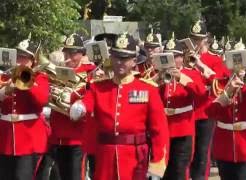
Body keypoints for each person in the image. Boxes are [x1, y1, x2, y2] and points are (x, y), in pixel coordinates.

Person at [70, 32, 169, 180]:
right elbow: (88, 102)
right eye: (116, 57)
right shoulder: (98, 87)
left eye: (124, 58)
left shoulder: (148, 89)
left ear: (134, 61)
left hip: (135, 159)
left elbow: (159, 129)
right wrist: (80, 106)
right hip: (105, 158)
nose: (119, 62)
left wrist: (157, 163)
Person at [0, 37, 50, 180]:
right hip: (5, 140)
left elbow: (41, 100)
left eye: (24, 57)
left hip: (29, 140)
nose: (19, 60)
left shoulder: (40, 78)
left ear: (32, 61)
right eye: (18, 56)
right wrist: (5, 91)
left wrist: (26, 79)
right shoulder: (5, 75)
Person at [48, 33, 96, 180]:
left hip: (78, 137)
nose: (68, 56)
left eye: (73, 53)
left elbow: (91, 97)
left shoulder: (90, 71)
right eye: (66, 52)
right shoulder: (56, 70)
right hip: (57, 135)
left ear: (81, 54)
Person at [159, 34, 207, 180]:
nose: (173, 60)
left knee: (180, 170)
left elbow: (201, 95)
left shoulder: (191, 74)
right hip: (163, 127)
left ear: (183, 58)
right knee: (162, 171)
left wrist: (181, 78)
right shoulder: (158, 74)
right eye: (169, 56)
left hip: (183, 128)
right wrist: (158, 78)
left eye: (177, 56)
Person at [189, 20, 230, 180]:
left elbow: (220, 82)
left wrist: (201, 66)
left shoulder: (214, 59)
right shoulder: (185, 57)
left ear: (205, 39)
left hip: (205, 111)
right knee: (188, 152)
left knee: (202, 153)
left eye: (198, 38)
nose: (195, 42)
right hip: (188, 111)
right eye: (193, 38)